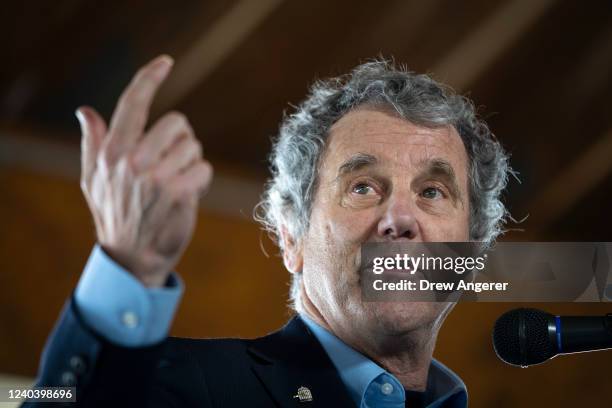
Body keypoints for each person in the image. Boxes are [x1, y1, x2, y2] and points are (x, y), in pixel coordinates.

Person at [25, 54, 510, 407]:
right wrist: (127, 269)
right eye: (362, 187)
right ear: (291, 239)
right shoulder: (183, 386)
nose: (400, 219)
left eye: (432, 192)